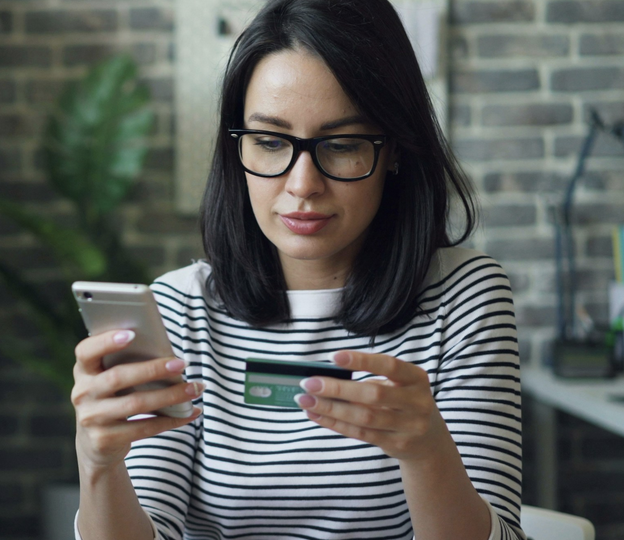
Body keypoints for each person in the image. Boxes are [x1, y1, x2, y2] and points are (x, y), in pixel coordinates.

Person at [70, 0, 523, 539]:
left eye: (342, 146)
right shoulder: (179, 309)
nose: (303, 185)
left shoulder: (464, 298)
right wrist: (99, 466)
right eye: (268, 142)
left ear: (396, 149)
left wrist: (427, 453)